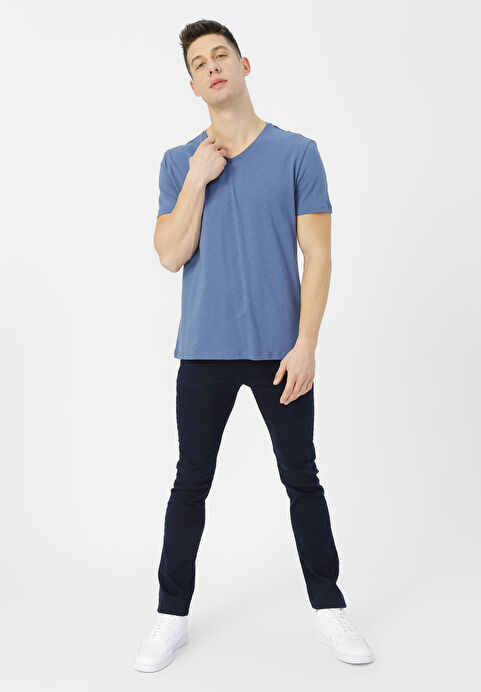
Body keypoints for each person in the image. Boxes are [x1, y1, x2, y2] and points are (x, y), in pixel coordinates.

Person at [133, 19, 374, 672]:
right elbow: (170, 254)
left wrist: (306, 344)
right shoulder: (178, 162)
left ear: (244, 65)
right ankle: (170, 617)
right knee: (190, 482)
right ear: (192, 85)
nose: (212, 66)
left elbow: (318, 256)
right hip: (203, 351)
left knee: (302, 479)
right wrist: (197, 179)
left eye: (221, 55)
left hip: (279, 354)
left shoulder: (298, 153)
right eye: (199, 62)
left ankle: (329, 608)